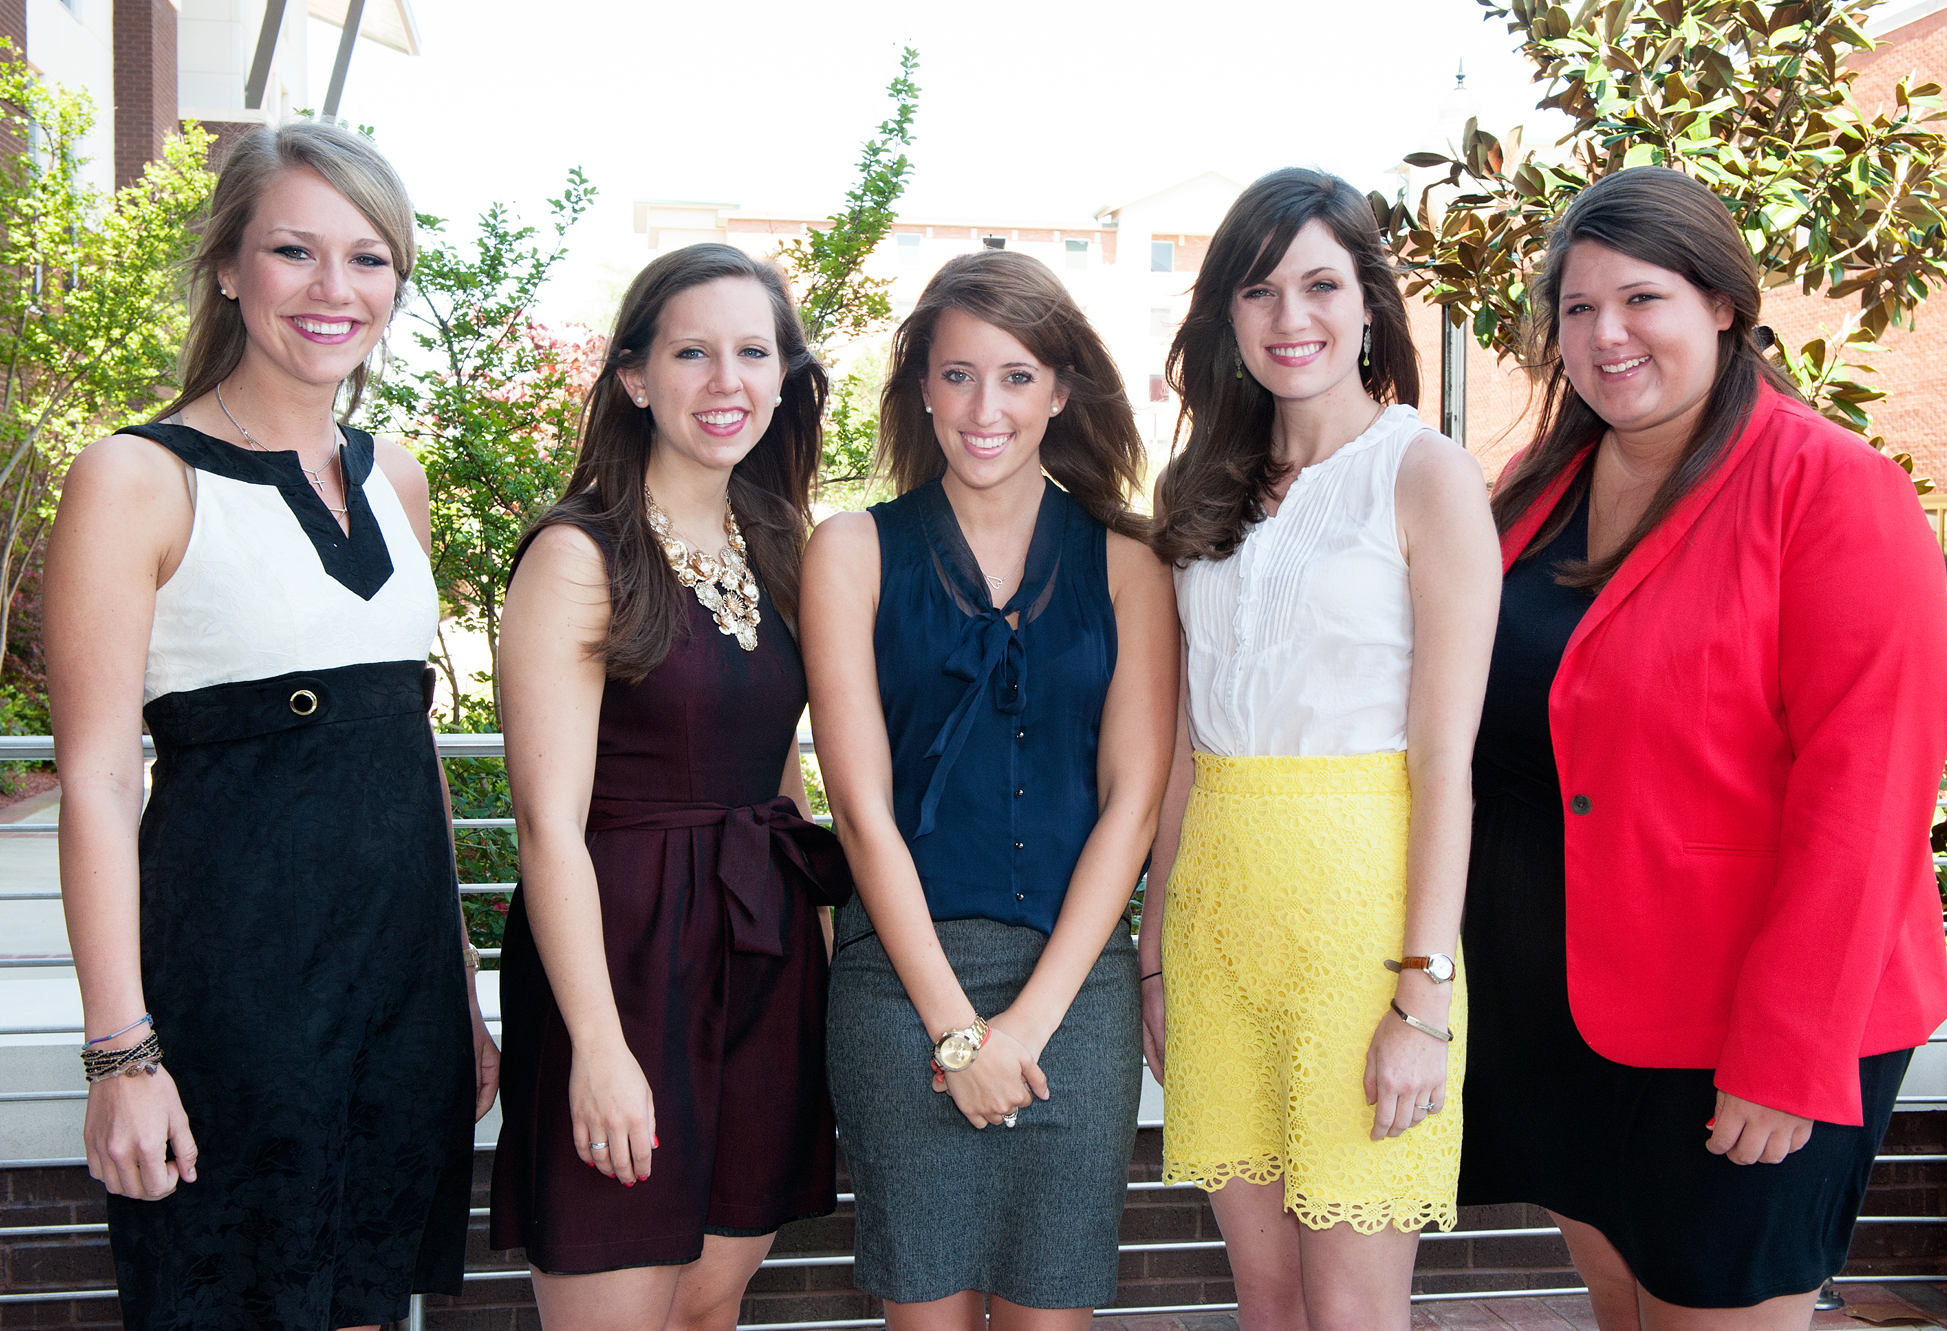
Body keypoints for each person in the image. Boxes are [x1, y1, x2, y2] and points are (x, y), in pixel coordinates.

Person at [1456, 166, 1947, 1329]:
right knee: (1620, 1298)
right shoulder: (1538, 488)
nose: (1605, 334)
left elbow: (1865, 801)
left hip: (1747, 1020)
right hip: (1568, 1003)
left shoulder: (1833, 490)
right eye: (1576, 309)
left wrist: (1785, 1054)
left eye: (1641, 299)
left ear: (1722, 304)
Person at [43, 122, 495, 1330]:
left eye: (369, 258)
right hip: (227, 1005)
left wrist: (458, 994)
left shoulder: (396, 476)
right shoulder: (136, 478)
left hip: (398, 1001)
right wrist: (120, 1056)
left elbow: (408, 758)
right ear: (231, 267)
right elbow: (93, 779)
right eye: (294, 250)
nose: (334, 289)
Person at [1139, 167, 1501, 1331]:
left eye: (1318, 284)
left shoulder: (1425, 473)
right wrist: (1151, 951)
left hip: (1362, 934)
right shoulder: (1195, 489)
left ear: (1366, 303)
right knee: (1268, 1297)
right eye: (1257, 290)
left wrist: (1422, 993)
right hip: (1214, 928)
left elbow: (1445, 756)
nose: (1289, 318)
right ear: (1225, 317)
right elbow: (1184, 742)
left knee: (1350, 1308)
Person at [802, 249, 1177, 1330]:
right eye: (957, 373)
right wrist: (960, 1033)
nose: (985, 405)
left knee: (1048, 1314)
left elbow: (1132, 800)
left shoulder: (1126, 562)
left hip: (1074, 990)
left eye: (1016, 376)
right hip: (903, 988)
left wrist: (1027, 1024)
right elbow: (860, 807)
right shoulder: (852, 551)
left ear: (1060, 390)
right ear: (919, 383)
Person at [488, 243, 849, 1331]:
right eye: (693, 351)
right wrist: (597, 1046)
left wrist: (820, 979)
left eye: (752, 351)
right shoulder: (577, 553)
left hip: (761, 954)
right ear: (637, 375)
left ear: (783, 376)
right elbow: (547, 828)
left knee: (705, 1308)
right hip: (624, 959)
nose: (725, 380)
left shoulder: (782, 543)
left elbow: (778, 766)